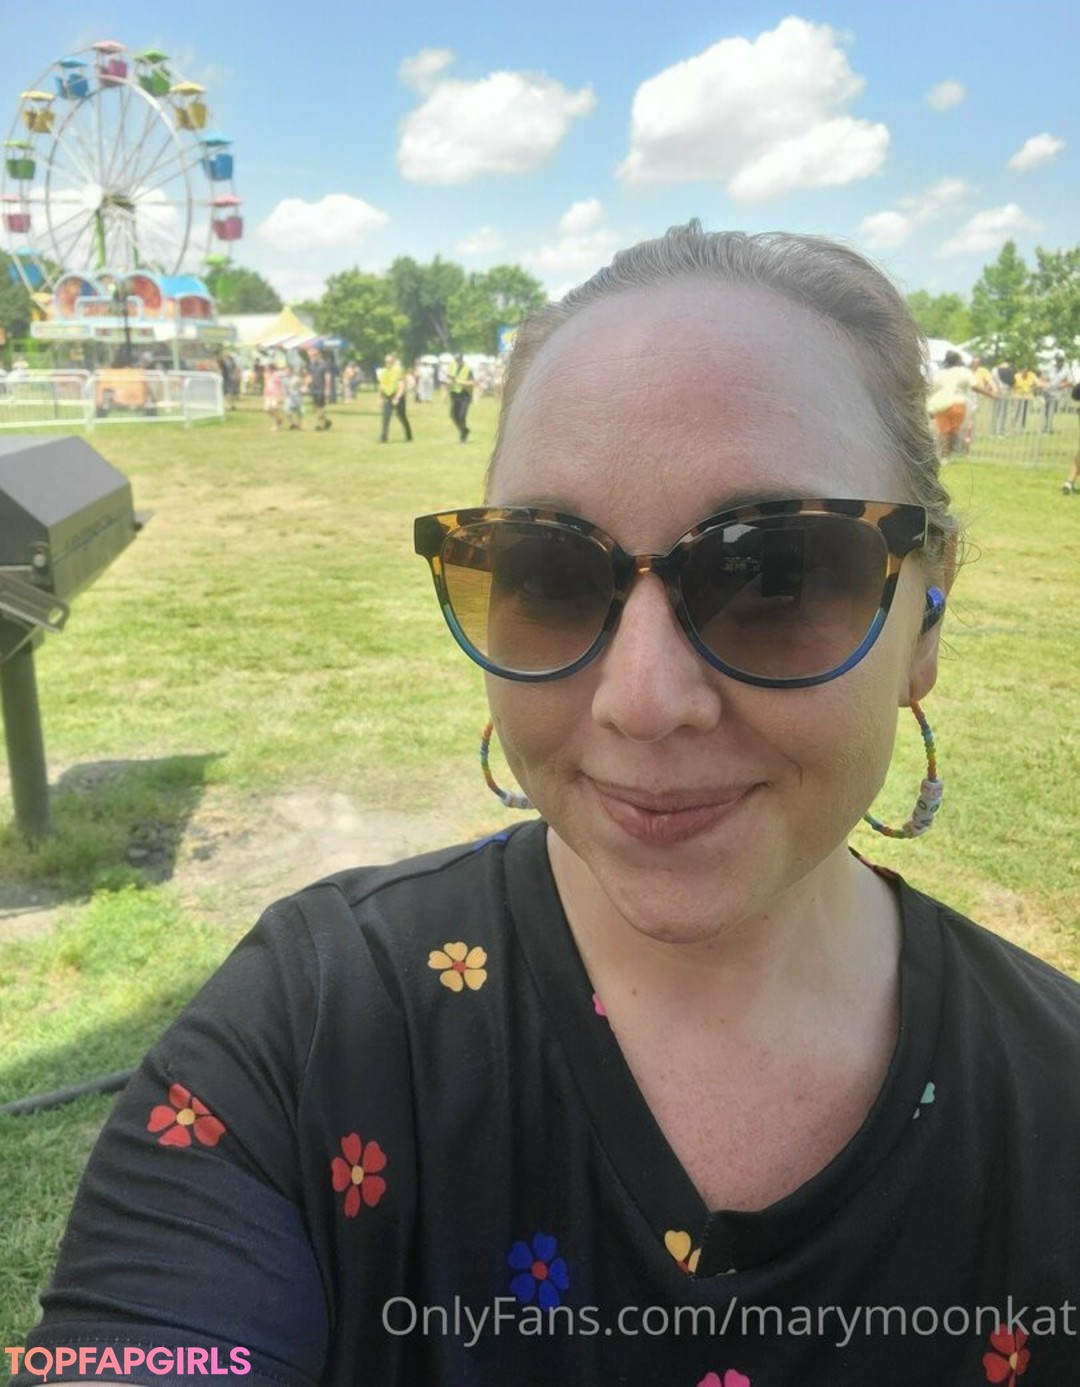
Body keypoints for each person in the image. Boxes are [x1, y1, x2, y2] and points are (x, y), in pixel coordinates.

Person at [14, 223, 1080, 1386]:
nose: (642, 701)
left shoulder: (1055, 1102)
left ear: (928, 615)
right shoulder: (306, 1035)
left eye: (777, 571)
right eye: (548, 573)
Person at [377, 351, 412, 442]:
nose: (387, 364)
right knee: (386, 416)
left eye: (389, 362)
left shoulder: (398, 371)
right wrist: (380, 398)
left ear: (393, 362)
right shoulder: (383, 372)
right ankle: (383, 438)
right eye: (386, 362)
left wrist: (397, 398)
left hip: (397, 396)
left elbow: (401, 385)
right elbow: (381, 386)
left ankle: (409, 435)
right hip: (387, 396)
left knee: (401, 416)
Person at [1040, 353, 1073, 433]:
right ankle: (1045, 426)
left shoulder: (1066, 370)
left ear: (1063, 361)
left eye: (1060, 360)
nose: (1058, 362)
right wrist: (1044, 384)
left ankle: (1048, 428)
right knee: (1046, 412)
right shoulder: (1051, 368)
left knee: (1051, 411)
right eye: (1057, 360)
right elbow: (1045, 378)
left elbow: (1071, 382)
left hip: (1057, 393)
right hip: (1047, 392)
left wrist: (1062, 385)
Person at [449, 351, 475, 441]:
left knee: (462, 415)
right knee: (453, 415)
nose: (457, 362)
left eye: (458, 360)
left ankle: (463, 436)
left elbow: (472, 382)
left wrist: (459, 381)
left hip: (465, 395)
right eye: (456, 360)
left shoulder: (468, 369)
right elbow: (451, 379)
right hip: (455, 394)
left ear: (462, 359)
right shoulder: (453, 367)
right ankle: (464, 430)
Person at [307, 349, 332, 431]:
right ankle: (326, 421)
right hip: (313, 389)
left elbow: (328, 378)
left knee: (320, 407)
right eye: (311, 356)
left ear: (319, 355)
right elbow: (310, 376)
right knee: (315, 408)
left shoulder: (325, 365)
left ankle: (319, 424)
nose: (313, 357)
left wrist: (327, 389)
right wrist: (307, 385)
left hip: (321, 389)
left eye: (314, 355)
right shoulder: (311, 365)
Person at [261, 361, 284, 431]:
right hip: (268, 394)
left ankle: (277, 424)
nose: (267, 370)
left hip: (275, 394)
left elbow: (281, 384)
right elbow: (266, 385)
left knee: (274, 408)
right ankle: (279, 419)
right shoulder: (266, 375)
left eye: (268, 369)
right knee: (267, 409)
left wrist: (281, 395)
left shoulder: (277, 375)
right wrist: (264, 393)